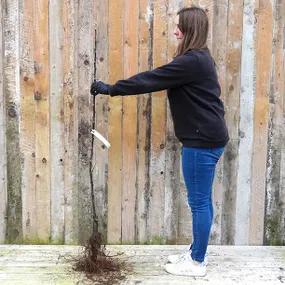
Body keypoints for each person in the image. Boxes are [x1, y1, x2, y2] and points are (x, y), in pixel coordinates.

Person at [90, 6, 229, 277]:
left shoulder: (191, 62)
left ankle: (197, 262)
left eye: (180, 27)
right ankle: (195, 252)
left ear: (191, 30)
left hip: (202, 142)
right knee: (203, 201)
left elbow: (150, 80)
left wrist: (111, 89)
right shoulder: (199, 58)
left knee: (199, 202)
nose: (176, 31)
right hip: (208, 137)